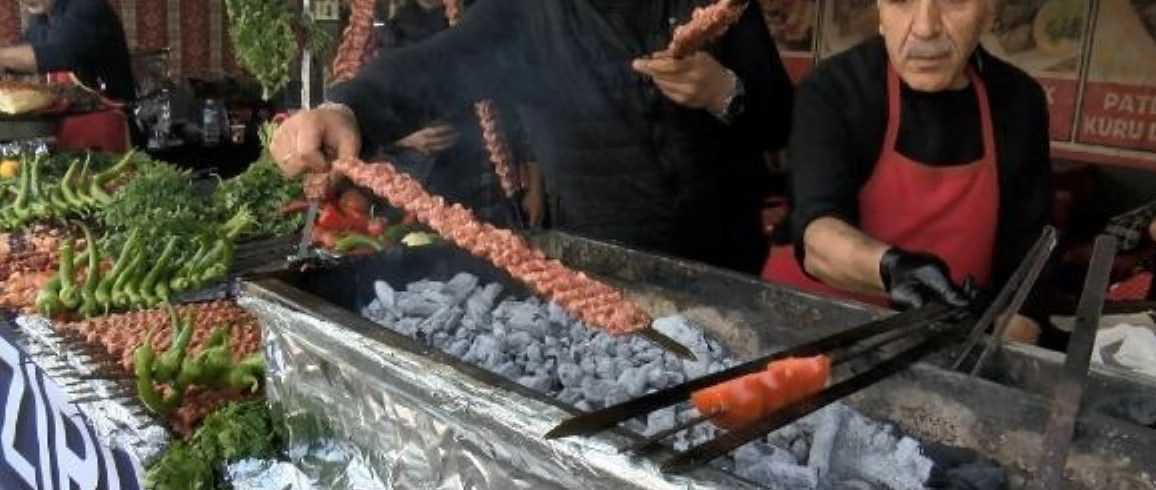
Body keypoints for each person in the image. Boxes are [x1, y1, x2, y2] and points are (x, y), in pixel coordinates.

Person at [270, 0, 792, 275]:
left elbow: (781, 120)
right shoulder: (527, 13)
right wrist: (346, 109)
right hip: (600, 261)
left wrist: (727, 93)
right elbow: (433, 67)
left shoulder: (717, 5)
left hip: (727, 262)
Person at [761, 0, 1052, 342]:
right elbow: (818, 237)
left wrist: (1003, 346)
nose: (925, 27)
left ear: (989, 13)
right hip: (804, 330)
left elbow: (1029, 264)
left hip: (940, 349)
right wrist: (892, 268)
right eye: (901, 1)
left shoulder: (1019, 102)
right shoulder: (836, 89)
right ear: (881, 13)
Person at [376, 0, 543, 228]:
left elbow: (522, 110)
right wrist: (407, 136)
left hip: (485, 181)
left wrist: (536, 189)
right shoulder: (392, 35)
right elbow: (372, 119)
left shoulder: (481, 22)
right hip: (420, 184)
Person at [0, 0, 138, 152]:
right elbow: (24, 56)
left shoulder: (88, 7)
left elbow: (60, 54)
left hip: (108, 122)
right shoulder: (42, 18)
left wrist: (3, 58)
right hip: (68, 126)